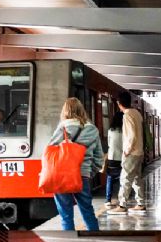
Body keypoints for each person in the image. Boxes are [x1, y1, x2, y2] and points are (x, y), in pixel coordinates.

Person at [48, 97, 104, 230]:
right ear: (81, 110)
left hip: (61, 177)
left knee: (66, 216)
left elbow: (50, 151)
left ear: (65, 111)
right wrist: (90, 172)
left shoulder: (62, 128)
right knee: (88, 212)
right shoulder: (92, 129)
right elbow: (99, 158)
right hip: (82, 176)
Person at [108, 91, 147, 215]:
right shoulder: (137, 113)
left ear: (119, 103)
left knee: (125, 178)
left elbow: (132, 135)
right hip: (139, 152)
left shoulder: (128, 115)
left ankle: (122, 205)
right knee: (136, 178)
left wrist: (126, 151)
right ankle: (140, 203)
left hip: (132, 152)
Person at [103, 111, 124, 209]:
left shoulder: (110, 130)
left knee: (110, 178)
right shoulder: (125, 130)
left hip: (112, 157)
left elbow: (109, 144)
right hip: (122, 157)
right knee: (122, 179)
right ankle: (122, 200)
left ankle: (108, 200)